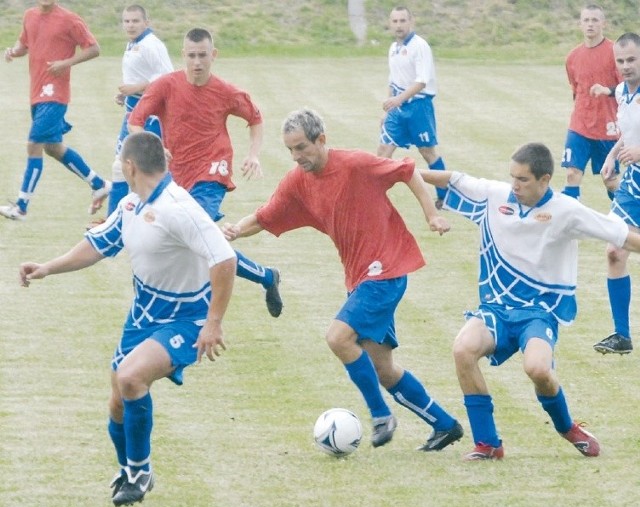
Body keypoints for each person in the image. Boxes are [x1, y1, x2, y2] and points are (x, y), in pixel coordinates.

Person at [223, 108, 463, 451]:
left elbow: (408, 171)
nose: (296, 156)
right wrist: (232, 231)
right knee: (383, 368)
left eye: (302, 147)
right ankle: (445, 425)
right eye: (291, 149)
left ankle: (381, 415)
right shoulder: (297, 182)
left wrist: (432, 214)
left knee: (338, 337)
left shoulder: (355, 165)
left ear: (321, 139)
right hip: (360, 277)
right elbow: (264, 216)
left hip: (386, 270)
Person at [19, 131, 237, 506]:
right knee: (117, 399)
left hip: (187, 317)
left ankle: (140, 471)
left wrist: (213, 322)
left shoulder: (177, 207)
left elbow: (225, 258)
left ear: (129, 166)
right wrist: (47, 268)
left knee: (131, 378)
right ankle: (128, 471)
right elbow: (96, 246)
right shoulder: (132, 205)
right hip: (143, 315)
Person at [421, 142, 640, 460]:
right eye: (513, 177)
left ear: (545, 179)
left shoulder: (567, 211)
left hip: (540, 311)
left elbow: (621, 236)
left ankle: (567, 427)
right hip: (495, 308)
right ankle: (488, 444)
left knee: (538, 369)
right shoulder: (494, 196)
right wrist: (406, 171)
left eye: (522, 179)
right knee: (462, 349)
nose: (515, 185)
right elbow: (454, 178)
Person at [128, 28, 282, 318]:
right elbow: (135, 121)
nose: (197, 62)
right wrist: (155, 146)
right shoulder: (165, 86)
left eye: (202, 55)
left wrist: (253, 154)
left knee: (195, 236)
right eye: (191, 55)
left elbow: (255, 118)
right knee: (198, 243)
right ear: (183, 55)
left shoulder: (226, 92)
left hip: (213, 172)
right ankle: (266, 277)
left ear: (213, 55)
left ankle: (193, 309)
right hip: (176, 176)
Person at [1, 0, 111, 221]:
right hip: (36, 93)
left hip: (55, 94)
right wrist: (12, 51)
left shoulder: (69, 20)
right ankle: (99, 185)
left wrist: (66, 63)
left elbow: (94, 48)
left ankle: (21, 207)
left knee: (34, 144)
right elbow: (24, 44)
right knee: (53, 148)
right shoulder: (30, 16)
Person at [591, 32, 640, 355]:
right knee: (614, 249)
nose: (625, 66)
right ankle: (622, 336)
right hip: (633, 183)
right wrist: (612, 156)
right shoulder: (622, 92)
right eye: (620, 61)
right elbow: (628, 132)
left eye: (631, 60)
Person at [377, 6, 447, 208]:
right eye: (395, 21)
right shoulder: (393, 48)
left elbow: (421, 82)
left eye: (402, 21)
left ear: (411, 22)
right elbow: (393, 82)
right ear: (390, 24)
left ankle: (444, 196)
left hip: (418, 107)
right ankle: (372, 195)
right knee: (383, 151)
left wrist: (398, 100)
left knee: (428, 153)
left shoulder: (420, 46)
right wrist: (389, 108)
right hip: (397, 109)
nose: (398, 25)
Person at [107, 4, 173, 216]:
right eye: (127, 21)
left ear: (146, 22)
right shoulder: (134, 43)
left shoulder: (152, 45)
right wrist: (126, 93)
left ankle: (158, 213)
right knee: (121, 167)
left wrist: (135, 88)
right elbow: (142, 75)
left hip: (149, 115)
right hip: (132, 111)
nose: (130, 25)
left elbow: (167, 78)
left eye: (135, 21)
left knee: (148, 168)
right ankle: (116, 218)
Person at [561, 4, 620, 201]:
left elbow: (628, 88)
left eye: (595, 20)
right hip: (579, 126)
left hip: (607, 127)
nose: (590, 24)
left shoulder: (615, 52)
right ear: (580, 24)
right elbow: (576, 90)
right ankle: (568, 225)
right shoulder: (572, 57)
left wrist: (607, 91)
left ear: (603, 23)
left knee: (610, 179)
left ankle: (628, 220)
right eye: (586, 20)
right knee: (571, 174)